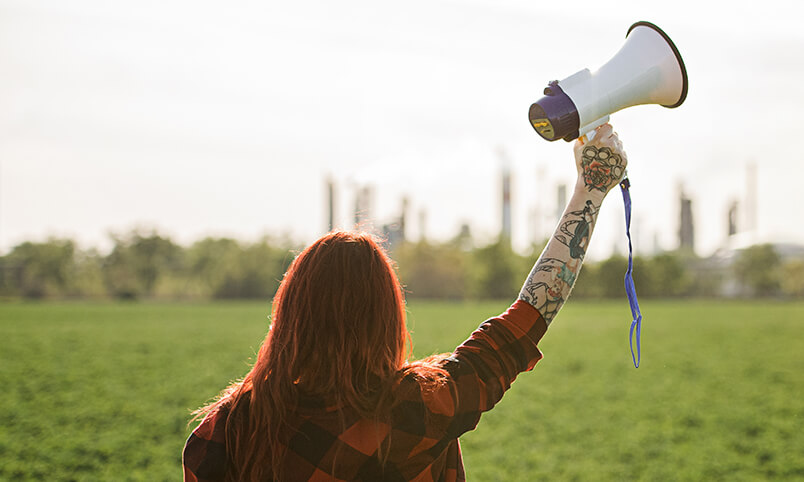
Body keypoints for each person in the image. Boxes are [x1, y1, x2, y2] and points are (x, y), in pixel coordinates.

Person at [183, 124, 627, 482]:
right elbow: (529, 315)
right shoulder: (419, 407)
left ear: (291, 313)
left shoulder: (226, 431)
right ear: (385, 317)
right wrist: (591, 189)